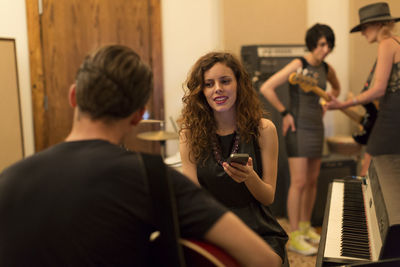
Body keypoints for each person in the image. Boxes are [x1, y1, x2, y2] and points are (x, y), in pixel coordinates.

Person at [0, 45, 282, 267]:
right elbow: (266, 260)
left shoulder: (8, 180)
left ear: (73, 96)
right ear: (138, 116)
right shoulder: (154, 180)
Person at [178, 52, 288, 265]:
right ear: (202, 91)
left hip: (257, 228)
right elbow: (193, 197)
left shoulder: (264, 129)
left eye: (225, 81)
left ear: (239, 84)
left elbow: (268, 197)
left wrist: (250, 177)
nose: (217, 88)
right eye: (209, 84)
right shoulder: (189, 135)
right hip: (213, 226)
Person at [259, 23, 341, 255]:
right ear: (313, 43)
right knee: (299, 182)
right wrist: (285, 113)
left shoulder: (327, 68)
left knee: (313, 180)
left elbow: (336, 88)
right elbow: (267, 87)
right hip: (298, 128)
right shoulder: (299, 64)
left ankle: (305, 227)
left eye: (329, 45)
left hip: (317, 128)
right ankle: (294, 235)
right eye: (322, 44)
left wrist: (326, 102)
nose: (325, 49)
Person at [326, 2, 400, 158]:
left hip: (392, 113)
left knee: (373, 163)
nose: (362, 33)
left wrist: (343, 104)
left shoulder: (386, 44)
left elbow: (379, 89)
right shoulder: (397, 41)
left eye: (364, 27)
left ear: (378, 24)